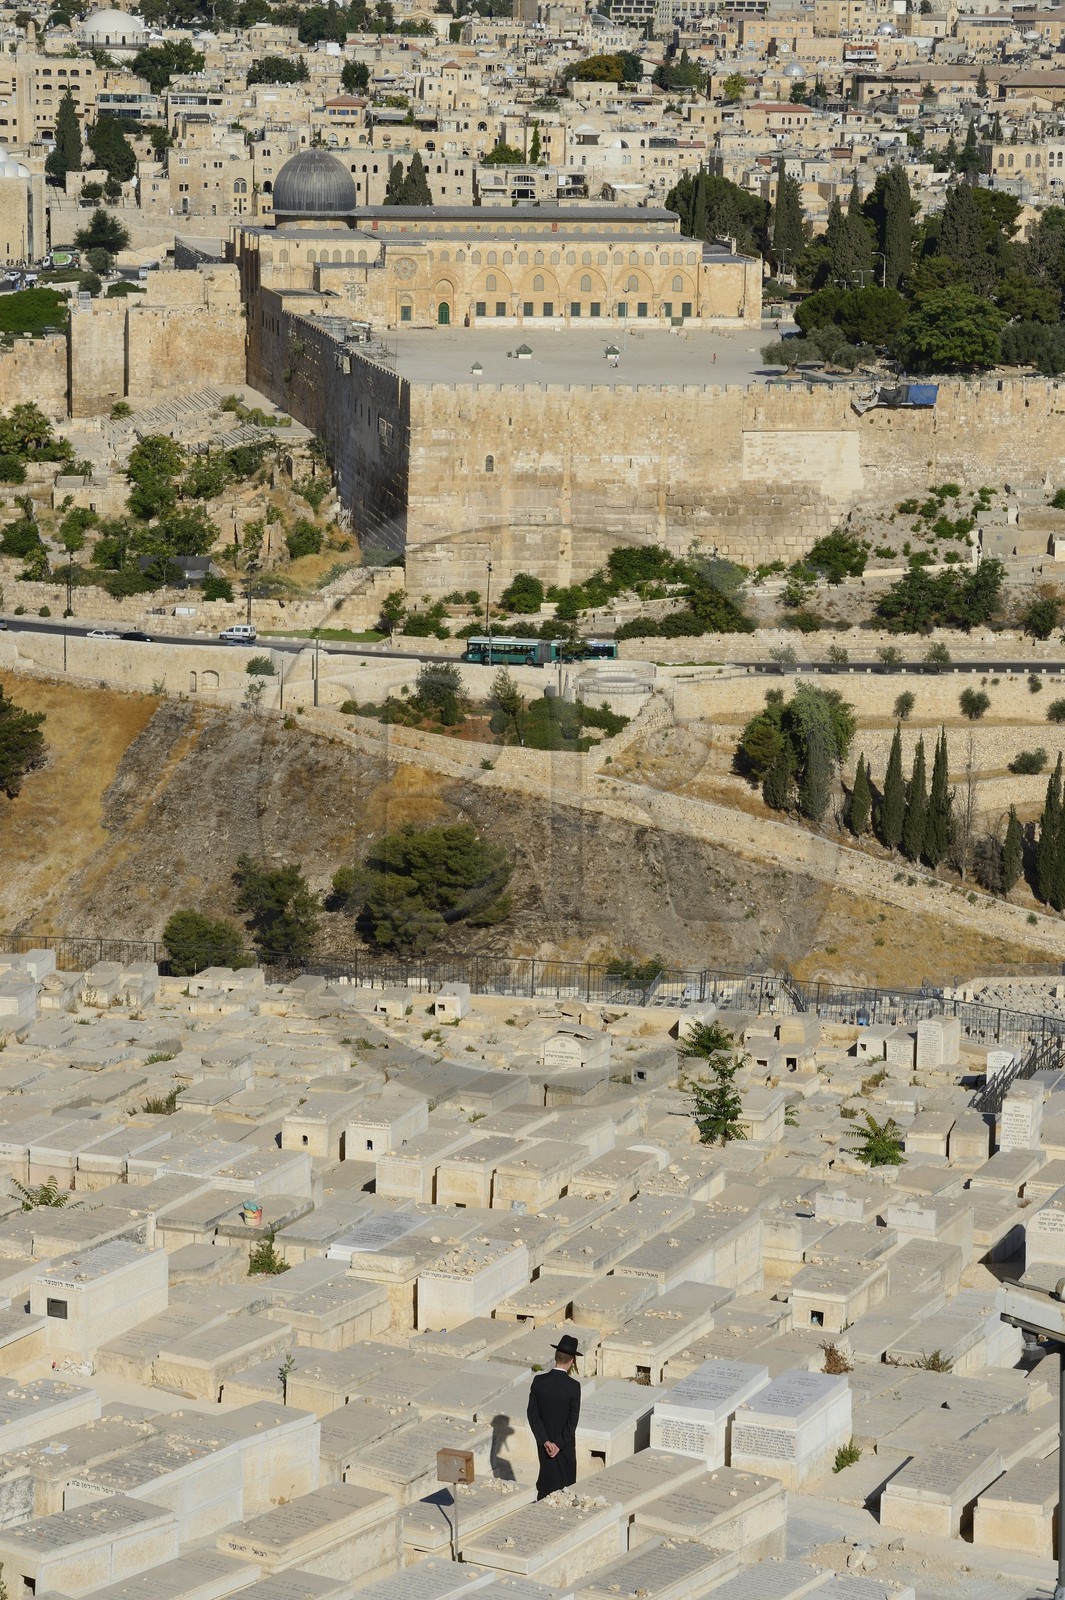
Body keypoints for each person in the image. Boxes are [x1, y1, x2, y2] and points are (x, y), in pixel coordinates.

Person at [526, 1334, 581, 1499]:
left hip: (544, 1446)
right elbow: (572, 1422)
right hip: (564, 1448)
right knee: (565, 1487)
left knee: (546, 1482)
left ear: (555, 1357)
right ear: (572, 1361)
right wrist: (558, 1444)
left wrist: (546, 1441)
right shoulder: (573, 1387)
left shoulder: (539, 1382)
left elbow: (532, 1415)